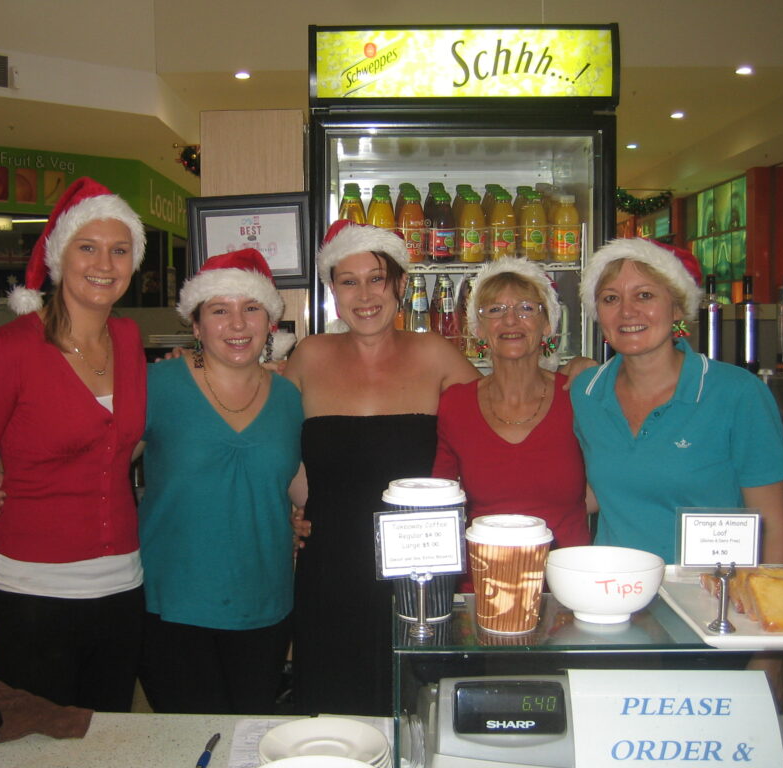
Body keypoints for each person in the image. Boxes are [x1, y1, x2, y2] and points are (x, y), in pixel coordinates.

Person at [0, 177, 148, 711]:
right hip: (32, 596)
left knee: (108, 741)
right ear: (59, 256)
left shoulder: (128, 340)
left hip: (122, 589)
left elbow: (114, 448)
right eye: (88, 247)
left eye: (119, 250)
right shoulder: (7, 350)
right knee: (37, 745)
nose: (105, 262)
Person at [284, 220, 481, 716]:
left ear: (398, 285)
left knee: (416, 706)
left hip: (418, 568)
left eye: (376, 278)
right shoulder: (309, 355)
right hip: (331, 565)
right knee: (333, 705)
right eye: (349, 281)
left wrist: (565, 376)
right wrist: (288, 510)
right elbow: (275, 446)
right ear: (333, 291)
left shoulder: (435, 353)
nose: (364, 294)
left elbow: (496, 420)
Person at [137, 248, 304, 715]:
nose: (237, 324)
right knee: (190, 743)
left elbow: (300, 485)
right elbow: (98, 465)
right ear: (196, 325)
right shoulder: (156, 385)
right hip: (172, 604)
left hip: (265, 604)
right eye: (219, 310)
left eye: (250, 308)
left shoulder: (290, 397)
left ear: (270, 322)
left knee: (247, 737)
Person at [572, 237, 783, 565]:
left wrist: (777, 607)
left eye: (644, 295)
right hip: (615, 592)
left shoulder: (737, 393)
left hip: (712, 600)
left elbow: (773, 528)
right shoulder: (586, 391)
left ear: (677, 308)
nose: (627, 311)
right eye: (610, 299)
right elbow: (591, 494)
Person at [432, 258, 590, 592]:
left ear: (548, 323)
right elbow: (439, 502)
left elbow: (613, 485)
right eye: (495, 309)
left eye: (526, 308)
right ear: (478, 328)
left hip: (567, 589)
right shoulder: (455, 404)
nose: (510, 319)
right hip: (481, 590)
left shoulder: (578, 397)